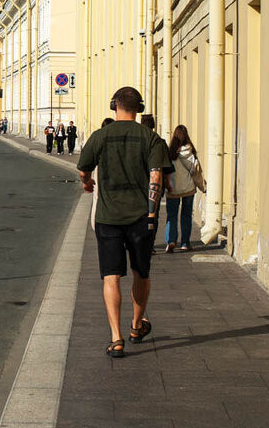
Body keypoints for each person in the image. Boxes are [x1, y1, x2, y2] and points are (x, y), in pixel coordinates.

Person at [76, 86, 167, 359]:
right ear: (139, 109)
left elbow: (83, 169)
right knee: (141, 272)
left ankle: (116, 337)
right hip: (141, 217)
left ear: (114, 106)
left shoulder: (100, 136)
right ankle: (137, 326)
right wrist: (151, 214)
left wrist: (87, 182)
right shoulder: (151, 139)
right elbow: (156, 177)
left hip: (108, 218)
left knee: (111, 275)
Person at [165, 125, 199, 252]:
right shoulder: (190, 151)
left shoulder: (170, 152)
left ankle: (171, 241)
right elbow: (194, 169)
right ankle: (185, 242)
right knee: (186, 215)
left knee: (171, 215)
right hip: (188, 188)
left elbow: (166, 170)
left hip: (172, 188)